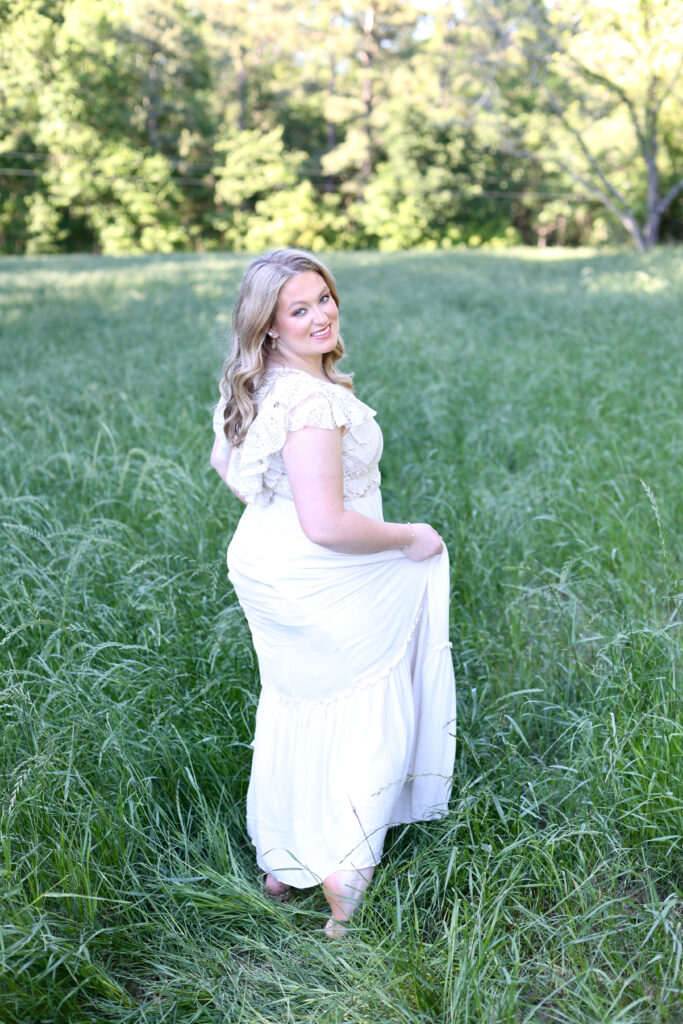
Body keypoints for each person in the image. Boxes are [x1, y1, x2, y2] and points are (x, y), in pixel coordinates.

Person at [210, 248, 456, 937]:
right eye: (298, 308)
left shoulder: (263, 384)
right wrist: (412, 535)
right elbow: (325, 524)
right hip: (315, 574)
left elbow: (226, 464)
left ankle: (284, 861)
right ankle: (343, 874)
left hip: (268, 565)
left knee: (300, 705)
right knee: (360, 709)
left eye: (323, 298)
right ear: (269, 326)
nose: (319, 316)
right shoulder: (312, 402)